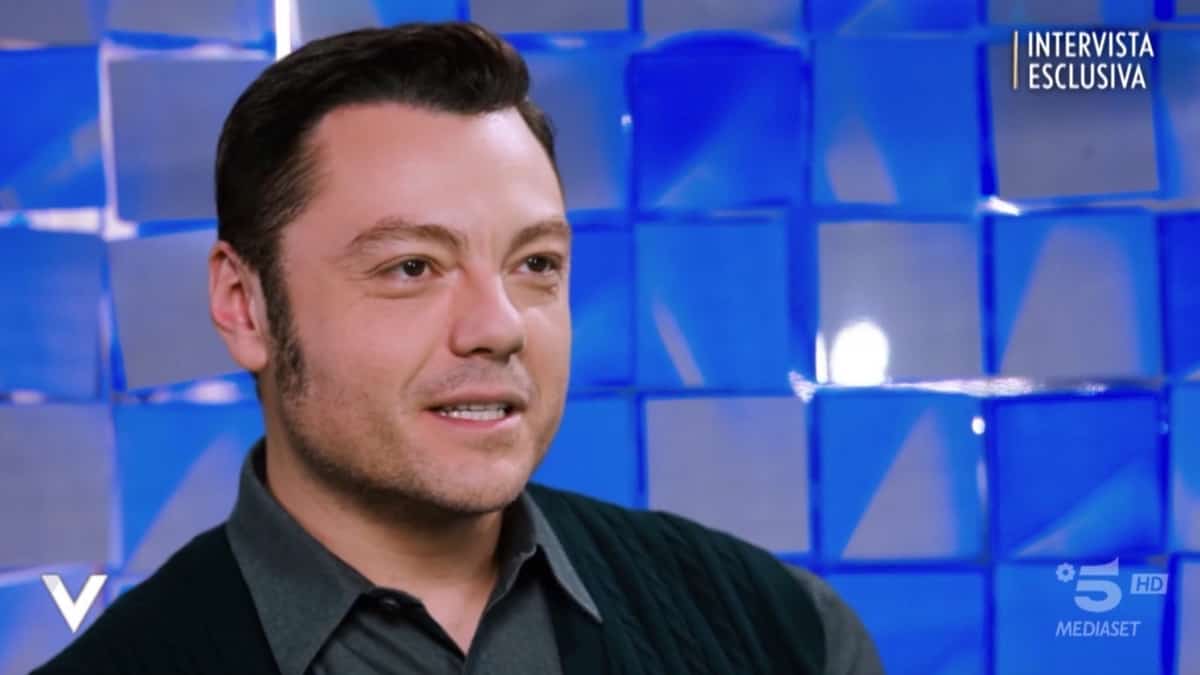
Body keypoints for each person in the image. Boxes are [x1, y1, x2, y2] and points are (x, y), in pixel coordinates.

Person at [33, 21, 883, 675]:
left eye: (535, 264)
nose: (498, 325)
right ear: (244, 306)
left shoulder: (783, 632)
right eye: (412, 267)